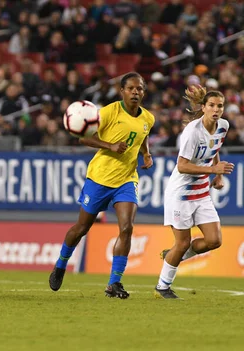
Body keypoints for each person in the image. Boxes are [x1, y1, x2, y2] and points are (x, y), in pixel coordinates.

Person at [49, 72, 154, 299]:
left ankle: (114, 283)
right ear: (122, 91)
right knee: (82, 228)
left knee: (127, 228)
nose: (136, 92)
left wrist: (147, 154)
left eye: (140, 89)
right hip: (99, 179)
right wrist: (109, 145)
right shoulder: (108, 112)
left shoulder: (148, 118)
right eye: (132, 88)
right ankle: (61, 263)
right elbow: (84, 138)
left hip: (127, 179)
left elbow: (143, 135)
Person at [156, 87, 233, 299]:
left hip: (201, 192)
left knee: (214, 240)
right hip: (180, 193)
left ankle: (173, 256)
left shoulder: (223, 126)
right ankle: (162, 287)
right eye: (211, 105)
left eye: (219, 106)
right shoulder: (192, 131)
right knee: (181, 242)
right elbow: (182, 166)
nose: (216, 110)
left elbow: (214, 148)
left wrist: (217, 176)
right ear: (203, 108)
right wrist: (213, 170)